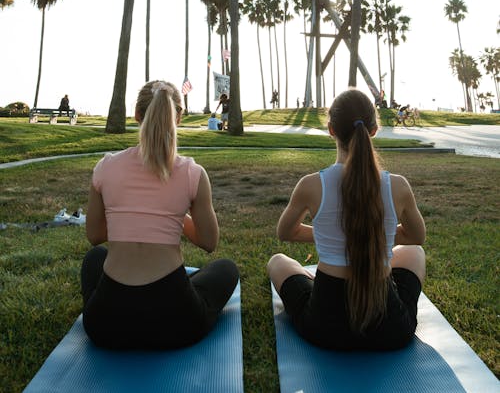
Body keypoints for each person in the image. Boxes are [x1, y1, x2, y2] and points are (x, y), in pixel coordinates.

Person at [80, 79, 239, 350]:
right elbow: (209, 242)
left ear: (137, 115)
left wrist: (132, 217)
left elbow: (94, 235)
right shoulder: (192, 173)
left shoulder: (105, 167)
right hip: (176, 323)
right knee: (226, 268)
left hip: (105, 325)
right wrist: (172, 217)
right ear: (177, 117)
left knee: (95, 258)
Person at [267, 88, 426, 351]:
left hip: (325, 328)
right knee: (415, 253)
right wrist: (373, 234)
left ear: (331, 130)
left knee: (278, 261)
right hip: (390, 330)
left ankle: (313, 280)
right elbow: (416, 237)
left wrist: (333, 234)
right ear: (373, 130)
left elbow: (286, 233)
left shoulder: (311, 185)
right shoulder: (397, 186)